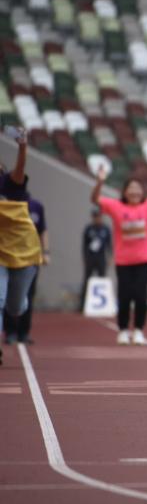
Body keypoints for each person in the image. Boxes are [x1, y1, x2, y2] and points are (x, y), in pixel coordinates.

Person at [91, 159, 147, 345]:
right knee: (125, 295)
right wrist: (100, 181)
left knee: (141, 295)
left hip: (144, 260)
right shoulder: (116, 206)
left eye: (137, 189)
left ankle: (139, 330)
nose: (134, 192)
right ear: (124, 192)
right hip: (123, 260)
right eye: (131, 189)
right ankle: (123, 330)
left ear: (142, 192)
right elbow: (95, 199)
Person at [0, 127, 40, 364]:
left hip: (23, 249)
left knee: (15, 307)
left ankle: (18, 302)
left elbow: (20, 167)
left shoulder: (10, 184)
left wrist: (23, 146)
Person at [3, 193, 48, 345]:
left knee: (24, 298)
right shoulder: (6, 206)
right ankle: (10, 332)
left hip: (29, 258)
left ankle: (24, 332)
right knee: (3, 296)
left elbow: (43, 230)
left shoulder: (36, 206)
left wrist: (46, 252)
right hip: (7, 258)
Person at [79, 209, 111, 312]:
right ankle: (82, 305)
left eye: (99, 216)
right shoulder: (88, 229)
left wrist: (110, 257)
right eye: (96, 217)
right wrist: (85, 258)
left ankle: (103, 305)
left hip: (101, 257)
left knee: (102, 279)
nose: (98, 219)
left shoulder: (106, 229)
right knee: (87, 280)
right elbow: (84, 245)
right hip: (90, 257)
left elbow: (109, 245)